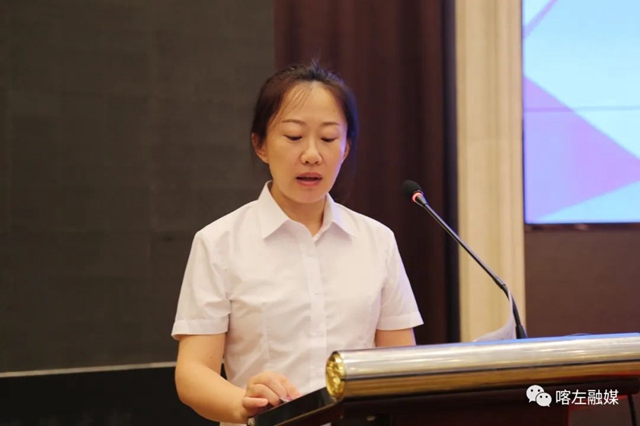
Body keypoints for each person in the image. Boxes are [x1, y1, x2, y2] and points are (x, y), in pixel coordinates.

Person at [171, 61, 423, 426]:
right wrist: (244, 403)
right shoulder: (219, 243)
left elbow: (401, 364)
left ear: (346, 147)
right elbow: (193, 373)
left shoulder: (377, 241)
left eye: (328, 138)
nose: (311, 154)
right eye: (293, 137)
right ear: (260, 144)